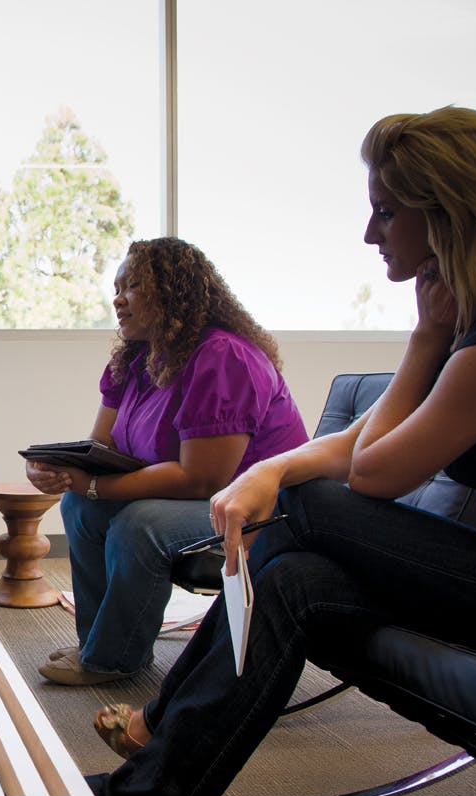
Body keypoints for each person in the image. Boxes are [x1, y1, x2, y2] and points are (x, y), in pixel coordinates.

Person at [76, 106, 476, 796]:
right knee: (292, 577)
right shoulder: (475, 329)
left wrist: (420, 343)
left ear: (447, 212)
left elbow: (377, 472)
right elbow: (354, 446)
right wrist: (267, 474)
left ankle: (153, 727)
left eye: (386, 210)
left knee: (300, 511)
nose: (370, 232)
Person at [25, 237, 307, 686]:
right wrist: (56, 468)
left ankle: (113, 658)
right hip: (204, 500)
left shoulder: (223, 357)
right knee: (80, 507)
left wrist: (93, 484)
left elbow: (202, 479)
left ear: (174, 292)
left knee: (140, 522)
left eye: (132, 286)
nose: (117, 299)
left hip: (260, 511)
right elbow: (100, 446)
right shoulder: (137, 358)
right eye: (116, 287)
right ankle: (99, 641)